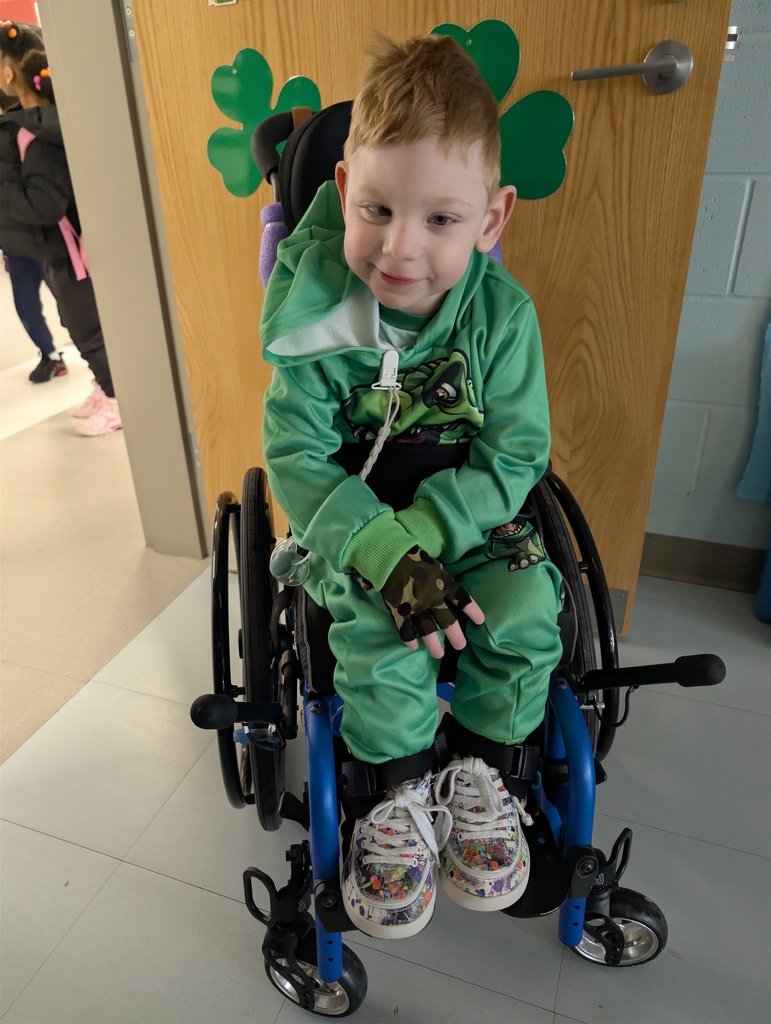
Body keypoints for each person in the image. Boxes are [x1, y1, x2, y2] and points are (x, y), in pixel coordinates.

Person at [260, 34, 563, 938]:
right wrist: (389, 554)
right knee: (380, 627)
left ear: (492, 220)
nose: (399, 248)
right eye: (376, 209)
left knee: (520, 610)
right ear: (344, 186)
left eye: (440, 220)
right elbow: (299, 459)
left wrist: (432, 533)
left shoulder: (502, 319)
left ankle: (482, 773)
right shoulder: (319, 312)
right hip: (353, 515)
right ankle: (389, 797)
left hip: (471, 506)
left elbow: (514, 455)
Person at [0, 21, 120, 434]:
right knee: (77, 325)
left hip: (71, 252)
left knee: (88, 329)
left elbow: (45, 203)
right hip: (59, 251)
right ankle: (107, 389)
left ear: (10, 72)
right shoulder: (35, 126)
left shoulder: (38, 135)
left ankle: (118, 400)